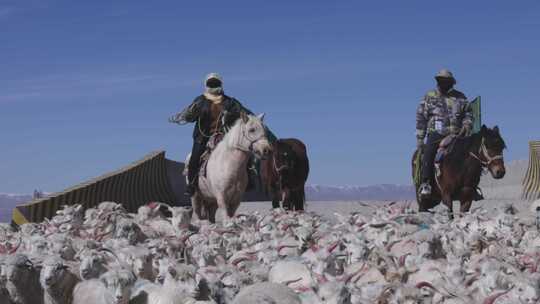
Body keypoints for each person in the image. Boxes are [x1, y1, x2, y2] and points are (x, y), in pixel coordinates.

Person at [169, 73, 275, 196]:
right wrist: (187, 115)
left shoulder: (230, 102)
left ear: (220, 84)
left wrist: (255, 120)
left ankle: (249, 181)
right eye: (211, 83)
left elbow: (245, 113)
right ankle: (191, 185)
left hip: (224, 136)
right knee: (195, 158)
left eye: (216, 83)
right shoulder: (200, 100)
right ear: (206, 85)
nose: (213, 86)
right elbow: (190, 117)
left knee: (245, 154)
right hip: (202, 137)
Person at [416, 69, 473, 197]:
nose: (443, 83)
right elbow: (421, 117)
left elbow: (469, 114)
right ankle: (426, 184)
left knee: (472, 155)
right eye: (440, 80)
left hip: (457, 135)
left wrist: (466, 124)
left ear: (451, 82)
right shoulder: (429, 96)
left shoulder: (461, 97)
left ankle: (472, 186)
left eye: (446, 81)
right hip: (436, 134)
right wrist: (420, 138)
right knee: (429, 152)